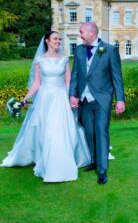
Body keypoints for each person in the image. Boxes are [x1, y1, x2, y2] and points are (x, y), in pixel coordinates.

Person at [1, 31, 90, 182]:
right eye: (55, 39)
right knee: (45, 130)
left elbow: (68, 81)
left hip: (61, 98)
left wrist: (72, 97)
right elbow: (36, 83)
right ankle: (45, 159)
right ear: (47, 41)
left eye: (59, 39)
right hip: (45, 99)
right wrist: (24, 100)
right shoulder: (40, 60)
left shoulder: (64, 59)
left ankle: (59, 164)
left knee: (59, 130)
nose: (58, 41)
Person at [69, 21, 125, 185]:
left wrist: (120, 99)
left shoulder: (110, 50)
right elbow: (75, 74)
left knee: (101, 132)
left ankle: (102, 170)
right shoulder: (79, 50)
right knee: (89, 132)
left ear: (91, 33)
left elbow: (117, 77)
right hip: (84, 99)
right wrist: (73, 94)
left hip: (102, 99)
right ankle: (93, 161)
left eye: (81, 32)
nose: (79, 35)